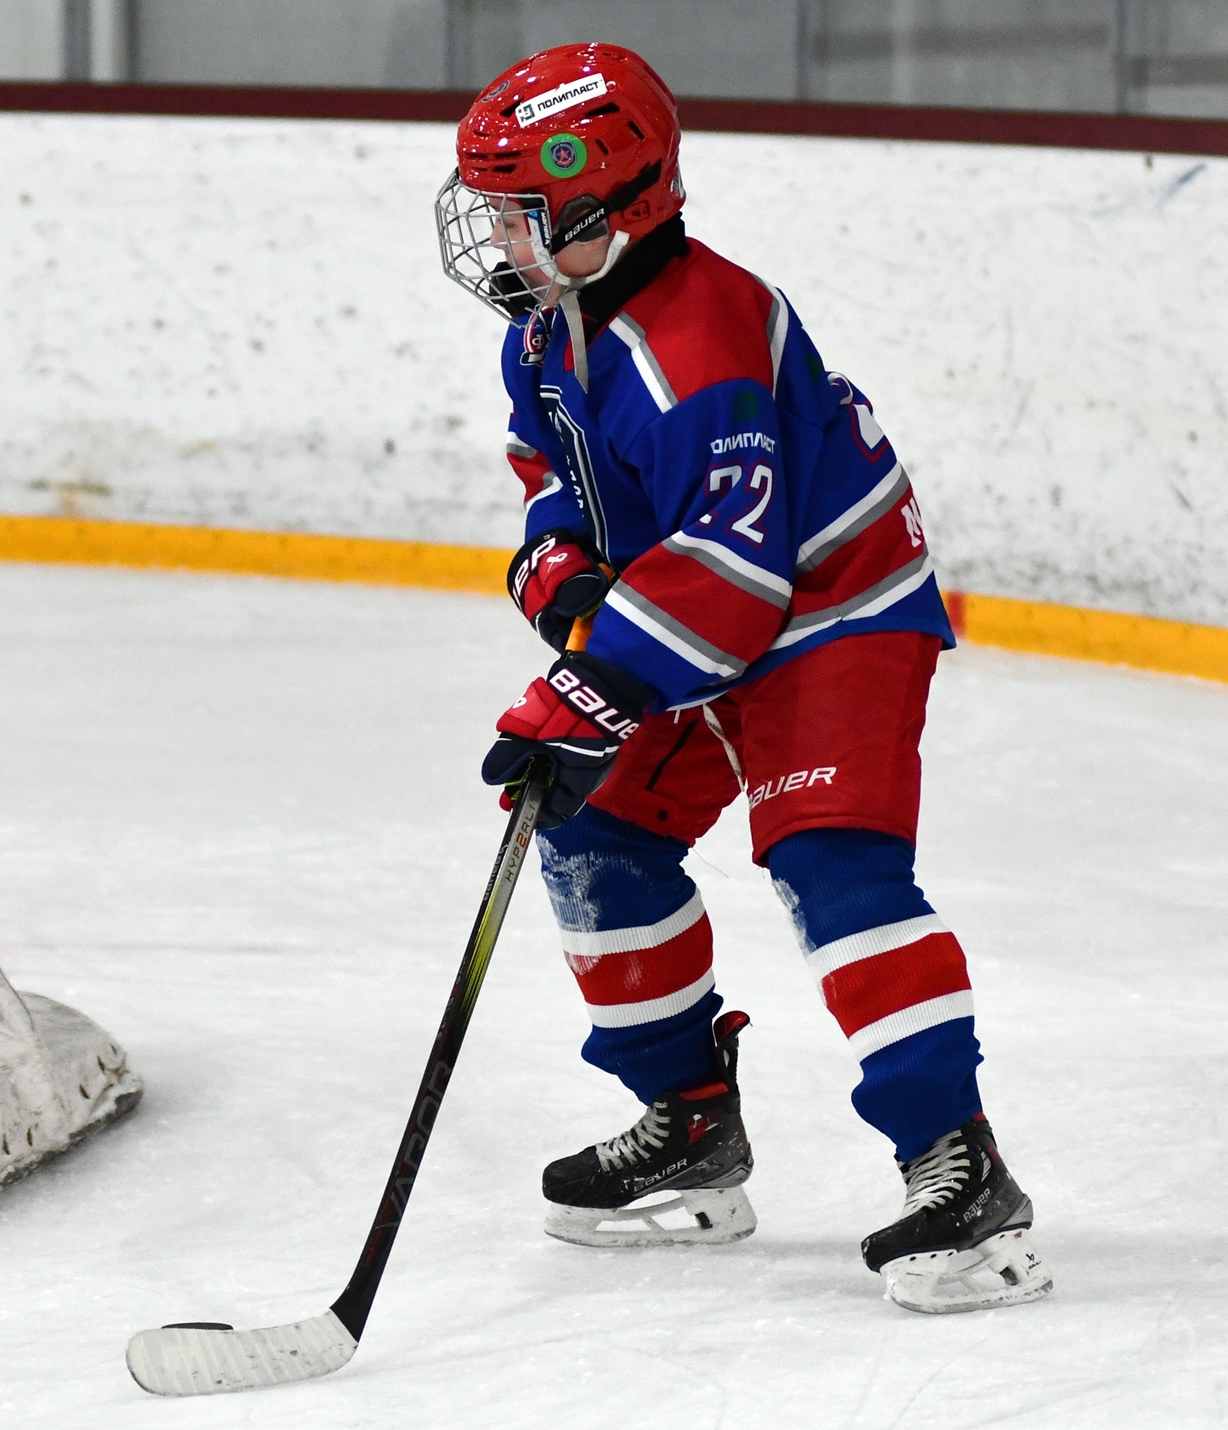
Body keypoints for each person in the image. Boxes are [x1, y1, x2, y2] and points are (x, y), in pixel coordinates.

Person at [435, 42, 1051, 1314]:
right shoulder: (549, 334)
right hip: (697, 615)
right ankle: (691, 1120)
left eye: (520, 211)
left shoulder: (698, 341)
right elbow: (554, 478)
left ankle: (959, 1167)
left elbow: (734, 575)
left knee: (835, 865)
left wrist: (586, 687)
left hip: (832, 612)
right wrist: (563, 581)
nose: (497, 236)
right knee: (593, 834)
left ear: (609, 207)